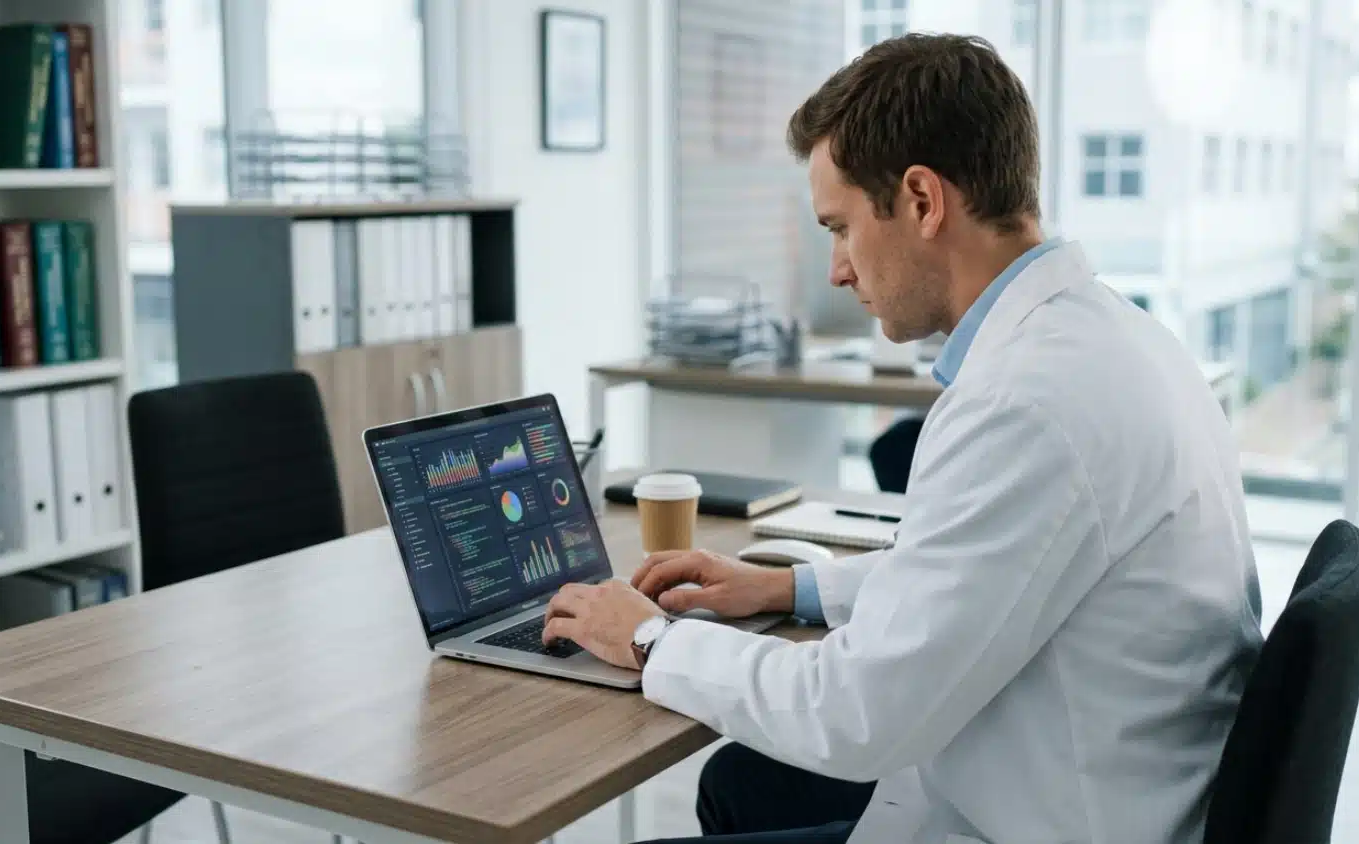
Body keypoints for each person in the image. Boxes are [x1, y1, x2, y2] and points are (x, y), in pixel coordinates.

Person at [541, 33, 1263, 844]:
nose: (837, 271)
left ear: (922, 200)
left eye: (841, 227)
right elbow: (971, 568)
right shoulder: (1116, 339)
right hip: (1108, 776)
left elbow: (857, 716)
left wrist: (646, 638)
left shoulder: (1025, 403)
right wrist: (788, 589)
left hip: (1048, 816)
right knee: (741, 785)